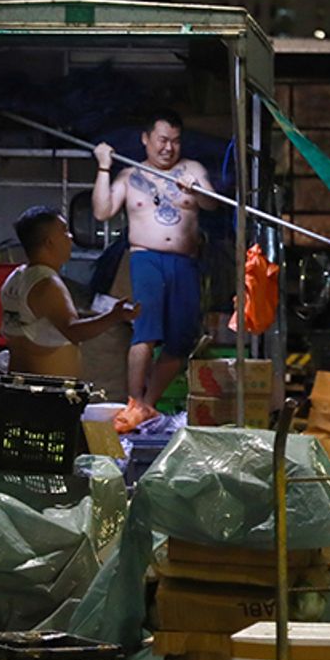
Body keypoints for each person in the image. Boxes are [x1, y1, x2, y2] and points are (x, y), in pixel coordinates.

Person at [92, 110, 220, 431]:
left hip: (185, 262)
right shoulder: (129, 176)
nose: (168, 148)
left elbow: (212, 204)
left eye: (175, 141)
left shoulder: (192, 169)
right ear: (146, 139)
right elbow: (102, 211)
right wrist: (104, 167)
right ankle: (135, 401)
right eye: (162, 140)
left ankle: (147, 405)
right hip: (146, 259)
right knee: (145, 331)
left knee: (181, 341)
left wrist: (196, 189)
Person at [0, 206, 137, 379]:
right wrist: (115, 316)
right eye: (64, 231)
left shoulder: (17, 277)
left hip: (23, 385)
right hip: (46, 393)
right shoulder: (47, 283)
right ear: (49, 242)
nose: (70, 238)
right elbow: (73, 332)